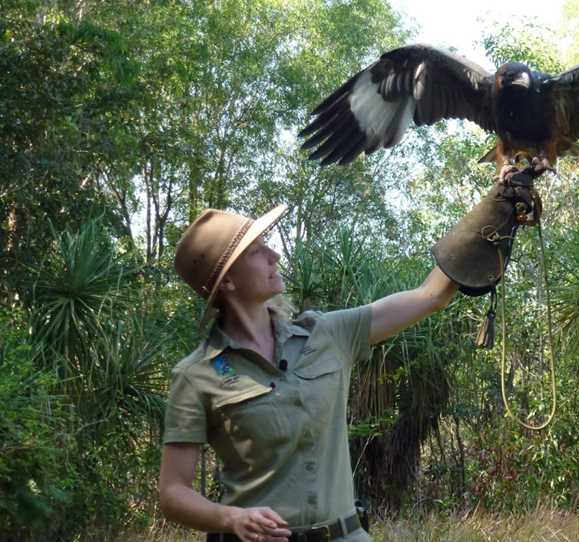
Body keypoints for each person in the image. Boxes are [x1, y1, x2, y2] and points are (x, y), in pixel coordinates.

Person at [159, 175, 537, 542]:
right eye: (258, 251)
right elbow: (173, 493)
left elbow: (431, 296)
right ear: (227, 281)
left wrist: (495, 207)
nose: (274, 254)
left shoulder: (328, 334)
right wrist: (231, 518)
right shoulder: (197, 376)